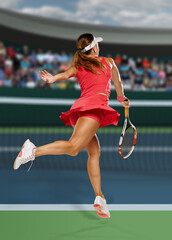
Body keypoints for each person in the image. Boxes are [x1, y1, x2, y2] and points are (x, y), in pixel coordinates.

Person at [13, 33, 130, 219]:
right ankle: (32, 150)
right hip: (92, 110)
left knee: (94, 153)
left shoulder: (79, 65)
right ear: (94, 48)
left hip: (81, 111)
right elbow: (117, 82)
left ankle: (100, 197)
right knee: (74, 147)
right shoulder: (108, 62)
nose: (99, 47)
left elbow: (65, 75)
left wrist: (53, 79)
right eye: (97, 44)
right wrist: (122, 98)